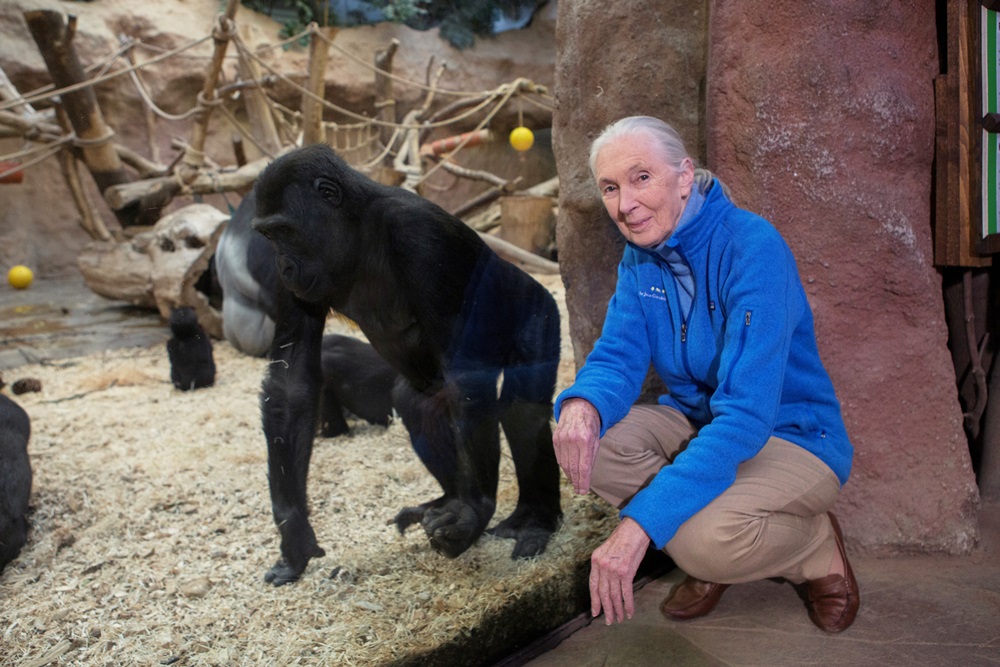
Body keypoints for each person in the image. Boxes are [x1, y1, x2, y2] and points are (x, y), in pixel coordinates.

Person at [552, 116, 858, 633]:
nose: (625, 204)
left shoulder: (752, 247)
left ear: (685, 177)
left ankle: (815, 547)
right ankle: (711, 538)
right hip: (700, 422)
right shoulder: (640, 259)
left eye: (641, 177)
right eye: (610, 187)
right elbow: (618, 357)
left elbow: (744, 417)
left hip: (791, 434)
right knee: (587, 443)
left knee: (700, 542)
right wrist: (582, 406)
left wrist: (639, 527)